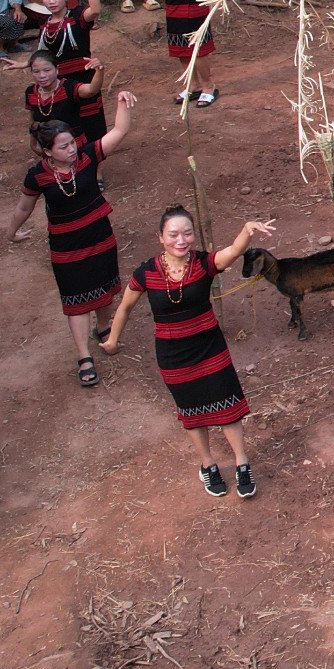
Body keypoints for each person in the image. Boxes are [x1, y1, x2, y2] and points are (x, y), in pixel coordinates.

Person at [103, 209, 273, 499]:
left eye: (187, 233)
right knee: (192, 413)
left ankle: (242, 462)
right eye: (173, 234)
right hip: (173, 356)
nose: (181, 240)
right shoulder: (146, 272)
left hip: (210, 348)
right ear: (161, 238)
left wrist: (247, 230)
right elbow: (125, 307)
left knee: (227, 403)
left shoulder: (204, 264)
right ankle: (208, 464)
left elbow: (232, 252)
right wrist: (112, 340)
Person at [8, 92, 137, 387]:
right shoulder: (37, 176)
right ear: (47, 152)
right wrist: (11, 231)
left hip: (100, 237)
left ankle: (103, 327)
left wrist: (120, 104)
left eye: (72, 143)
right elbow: (24, 207)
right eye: (64, 146)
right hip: (66, 248)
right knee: (77, 300)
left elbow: (119, 131)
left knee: (104, 288)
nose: (72, 149)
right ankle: (84, 357)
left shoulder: (89, 155)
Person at [23, 46, 107, 148]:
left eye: (47, 70)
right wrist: (33, 142)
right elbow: (33, 119)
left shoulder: (69, 88)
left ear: (57, 70)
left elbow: (91, 90)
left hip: (74, 146)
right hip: (49, 148)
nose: (42, 75)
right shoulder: (31, 92)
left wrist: (99, 70)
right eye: (36, 71)